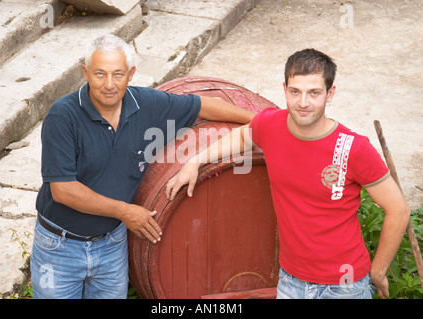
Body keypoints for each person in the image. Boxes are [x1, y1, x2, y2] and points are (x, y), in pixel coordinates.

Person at [165, 48, 410, 299]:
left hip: (344, 286)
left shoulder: (355, 148)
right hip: (291, 282)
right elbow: (241, 136)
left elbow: (398, 210)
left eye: (314, 92)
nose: (303, 102)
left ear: (330, 93)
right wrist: (195, 161)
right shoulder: (271, 125)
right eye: (295, 92)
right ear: (285, 90)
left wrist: (378, 272)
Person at [30, 34, 255, 299]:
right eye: (100, 74)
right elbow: (63, 190)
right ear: (85, 73)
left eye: (118, 74)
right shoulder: (63, 116)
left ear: (131, 73)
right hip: (60, 247)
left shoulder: (145, 104)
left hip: (111, 245)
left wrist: (261, 122)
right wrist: (125, 212)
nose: (109, 84)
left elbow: (203, 106)